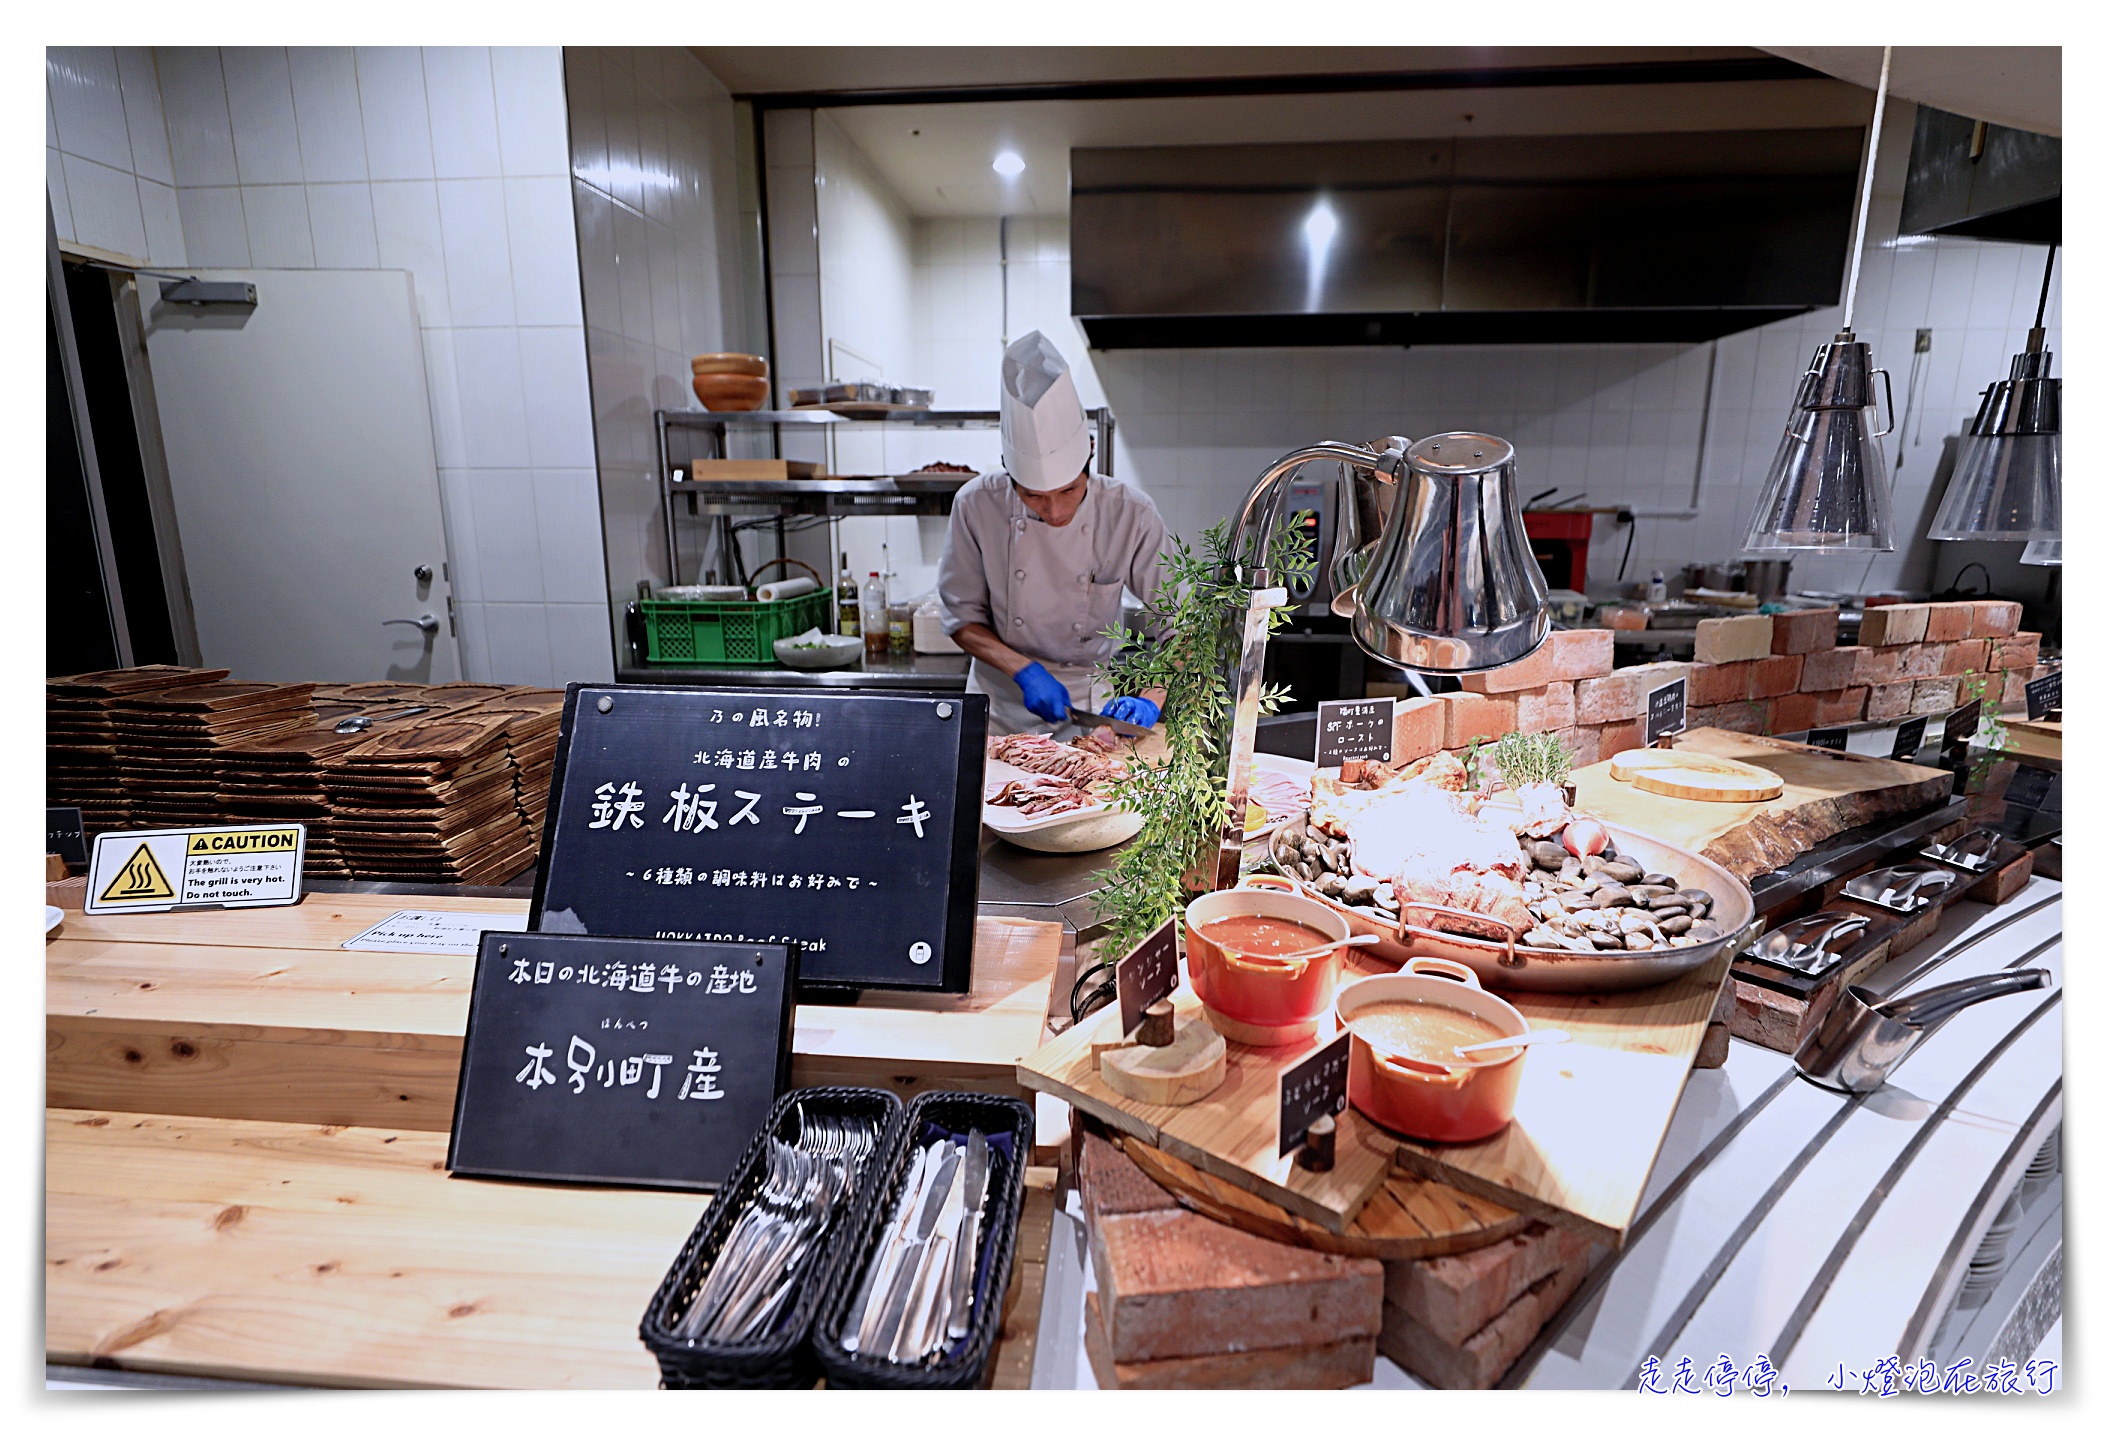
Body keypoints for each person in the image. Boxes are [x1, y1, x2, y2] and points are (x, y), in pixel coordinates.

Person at [937, 331, 1167, 736]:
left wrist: (1152, 695)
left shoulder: (1131, 513)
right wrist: (1023, 670)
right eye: (1033, 497)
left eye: (1068, 491)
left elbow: (1180, 625)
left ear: (1090, 455)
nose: (1055, 511)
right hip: (998, 708)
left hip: (1092, 714)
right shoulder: (975, 505)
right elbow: (961, 620)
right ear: (1008, 472)